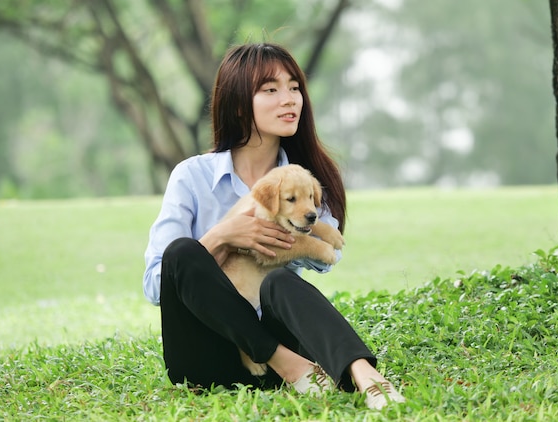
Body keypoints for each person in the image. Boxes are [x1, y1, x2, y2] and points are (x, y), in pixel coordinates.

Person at [143, 42, 405, 410]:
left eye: (294, 87)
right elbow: (157, 284)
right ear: (237, 104)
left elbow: (326, 257)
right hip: (206, 358)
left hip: (277, 339)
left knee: (282, 280)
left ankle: (364, 374)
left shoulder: (301, 180)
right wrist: (222, 236)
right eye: (271, 90)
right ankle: (288, 364)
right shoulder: (191, 177)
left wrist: (290, 234)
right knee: (182, 251)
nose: (289, 99)